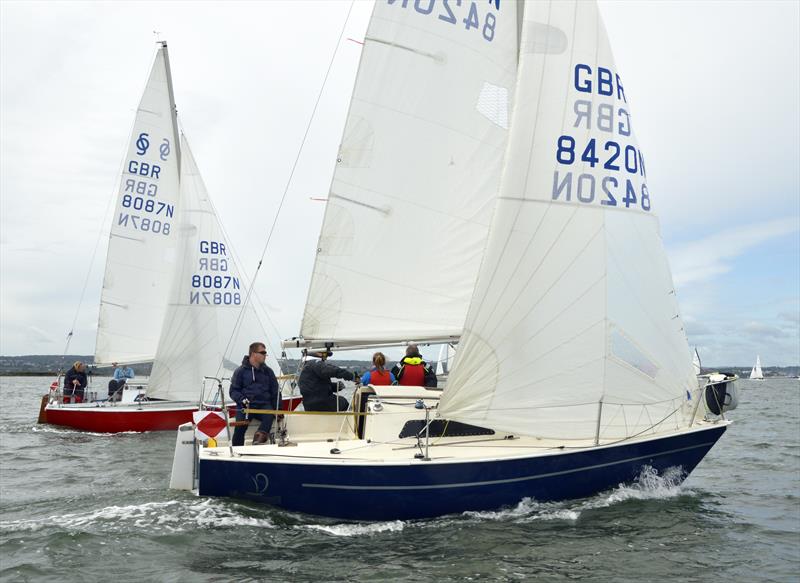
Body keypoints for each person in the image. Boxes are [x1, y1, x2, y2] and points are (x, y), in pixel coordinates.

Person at [229, 342, 280, 446]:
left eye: (265, 353)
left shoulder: (268, 372)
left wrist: (278, 409)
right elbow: (233, 391)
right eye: (263, 352)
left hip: (264, 405)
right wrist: (242, 399)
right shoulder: (240, 371)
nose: (265, 355)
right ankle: (236, 451)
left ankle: (258, 441)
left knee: (269, 415)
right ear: (253, 354)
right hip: (246, 406)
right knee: (240, 428)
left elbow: (275, 391)